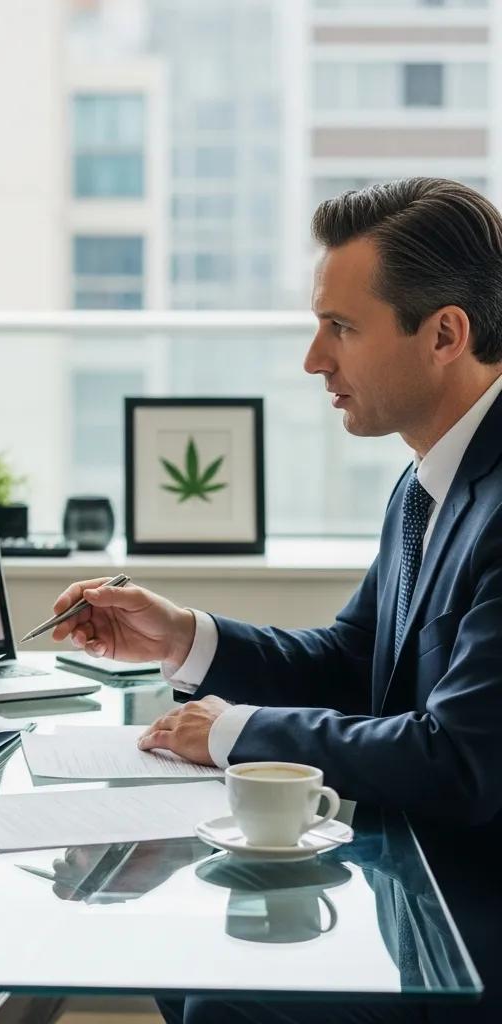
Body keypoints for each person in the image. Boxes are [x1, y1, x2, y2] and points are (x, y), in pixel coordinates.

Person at [51, 178, 502, 1023]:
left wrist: (228, 731)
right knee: (180, 950)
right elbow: (355, 661)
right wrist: (182, 636)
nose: (313, 359)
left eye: (341, 327)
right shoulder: (426, 483)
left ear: (445, 333)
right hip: (415, 880)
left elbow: (460, 762)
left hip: (472, 929)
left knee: (217, 990)